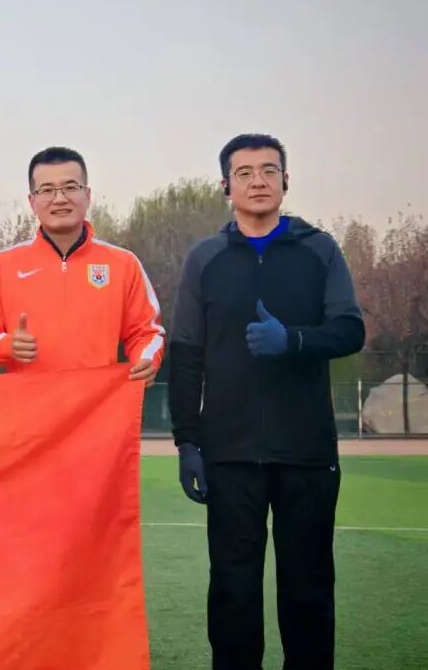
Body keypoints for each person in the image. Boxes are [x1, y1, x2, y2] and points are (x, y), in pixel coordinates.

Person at [169, 133, 365, 670]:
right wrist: (187, 442)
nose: (258, 181)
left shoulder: (319, 250)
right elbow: (185, 352)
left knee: (308, 591)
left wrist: (293, 341)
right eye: (245, 172)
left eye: (269, 170)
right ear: (225, 185)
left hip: (307, 453)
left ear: (286, 180)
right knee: (233, 593)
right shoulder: (205, 259)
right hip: (229, 454)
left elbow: (350, 330)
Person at [0, 146, 164, 379]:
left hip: (97, 399)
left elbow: (146, 331)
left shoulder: (123, 264)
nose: (60, 199)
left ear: (87, 195)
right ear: (32, 201)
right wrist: (7, 345)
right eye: (47, 190)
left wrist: (146, 359)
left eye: (70, 187)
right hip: (30, 400)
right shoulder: (3, 265)